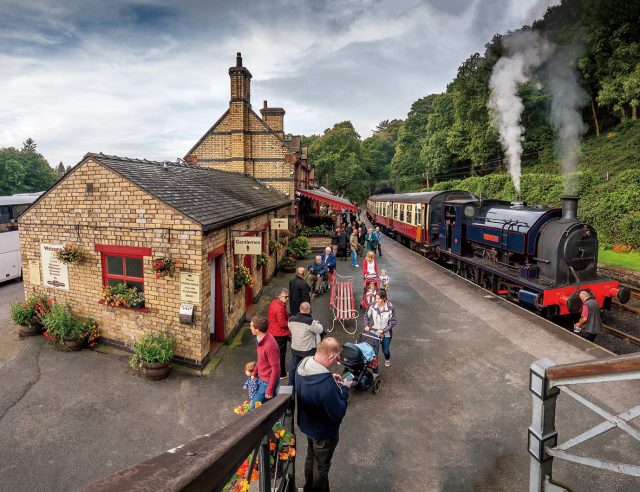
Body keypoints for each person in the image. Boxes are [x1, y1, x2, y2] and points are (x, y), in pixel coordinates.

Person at [295, 337, 353, 492]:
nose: (336, 362)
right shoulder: (325, 386)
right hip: (323, 432)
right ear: (331, 357)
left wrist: (330, 377)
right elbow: (338, 413)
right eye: (336, 359)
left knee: (310, 457)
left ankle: (308, 487)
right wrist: (345, 389)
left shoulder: (303, 364)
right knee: (321, 466)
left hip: (307, 424)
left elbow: (313, 383)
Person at [288, 301, 325, 385]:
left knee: (293, 367)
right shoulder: (310, 322)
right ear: (308, 310)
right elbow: (320, 330)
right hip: (307, 350)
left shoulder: (291, 319)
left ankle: (291, 385)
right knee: (307, 368)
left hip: (295, 348)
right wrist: (317, 323)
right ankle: (306, 384)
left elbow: (291, 328)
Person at [249, 315, 280, 407]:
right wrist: (255, 372)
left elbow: (276, 368)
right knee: (270, 405)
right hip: (263, 378)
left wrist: (270, 388)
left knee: (253, 407)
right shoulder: (259, 339)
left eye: (251, 326)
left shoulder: (269, 346)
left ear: (257, 330)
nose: (250, 327)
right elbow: (261, 359)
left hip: (267, 381)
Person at [364, 289, 396, 368]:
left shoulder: (390, 307)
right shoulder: (372, 305)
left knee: (385, 351)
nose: (377, 300)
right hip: (374, 332)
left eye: (379, 298)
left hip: (386, 334)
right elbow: (366, 316)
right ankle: (375, 372)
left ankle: (387, 358)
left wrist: (383, 330)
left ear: (384, 298)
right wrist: (366, 325)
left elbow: (393, 322)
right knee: (374, 352)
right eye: (376, 298)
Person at [267, 288, 291, 379]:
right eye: (286, 296)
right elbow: (282, 323)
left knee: (275, 353)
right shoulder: (280, 308)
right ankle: (281, 373)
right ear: (280, 297)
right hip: (280, 334)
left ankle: (274, 370)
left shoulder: (274, 303)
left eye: (288, 296)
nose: (287, 298)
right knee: (281, 354)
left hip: (273, 332)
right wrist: (290, 324)